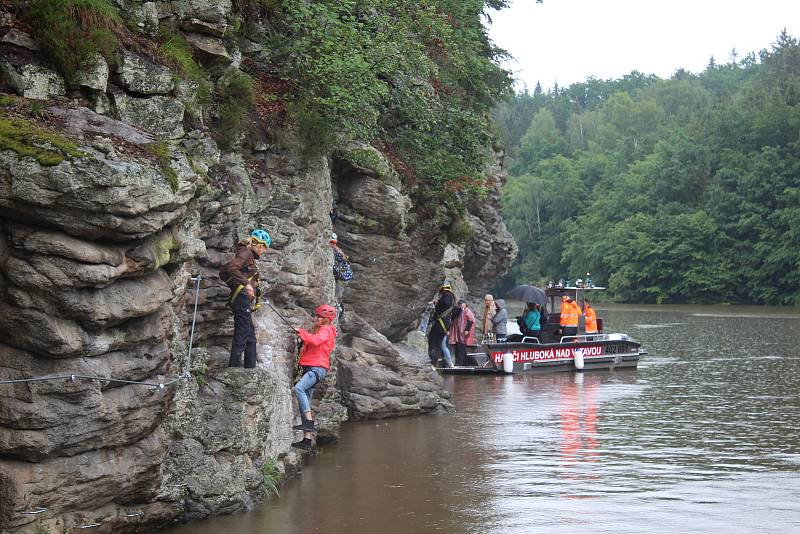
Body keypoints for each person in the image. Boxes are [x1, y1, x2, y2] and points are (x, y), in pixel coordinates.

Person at [219, 229, 271, 368]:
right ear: (258, 245)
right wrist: (247, 284)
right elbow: (232, 267)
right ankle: (234, 370)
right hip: (241, 299)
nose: (264, 251)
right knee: (242, 334)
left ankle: (250, 370)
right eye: (264, 247)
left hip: (243, 300)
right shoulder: (246, 252)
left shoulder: (249, 255)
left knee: (251, 338)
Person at [292, 304, 338, 451]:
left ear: (326, 319)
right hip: (312, 367)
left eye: (319, 317)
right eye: (316, 316)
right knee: (305, 399)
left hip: (317, 368)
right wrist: (303, 337)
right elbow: (313, 343)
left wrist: (302, 333)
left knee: (299, 388)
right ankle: (306, 440)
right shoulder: (320, 330)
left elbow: (316, 341)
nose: (316, 318)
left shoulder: (326, 330)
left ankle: (309, 424)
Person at [427, 282, 455, 368]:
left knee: (433, 342)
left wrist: (438, 304)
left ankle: (432, 363)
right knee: (438, 344)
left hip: (441, 323)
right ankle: (434, 363)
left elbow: (445, 303)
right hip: (445, 323)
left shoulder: (447, 296)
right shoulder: (452, 297)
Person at [449, 299, 476, 366]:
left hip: (464, 333)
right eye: (460, 304)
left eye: (462, 304)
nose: (461, 305)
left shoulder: (467, 311)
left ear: (465, 304)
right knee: (459, 347)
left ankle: (460, 363)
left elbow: (471, 320)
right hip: (458, 334)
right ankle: (461, 363)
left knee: (461, 347)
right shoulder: (459, 311)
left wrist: (467, 330)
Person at [330, 233, 352, 306]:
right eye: (330, 242)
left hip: (343, 278)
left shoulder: (337, 252)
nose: (331, 244)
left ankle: (336, 306)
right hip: (341, 276)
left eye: (333, 243)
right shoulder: (335, 251)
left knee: (336, 296)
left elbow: (343, 257)